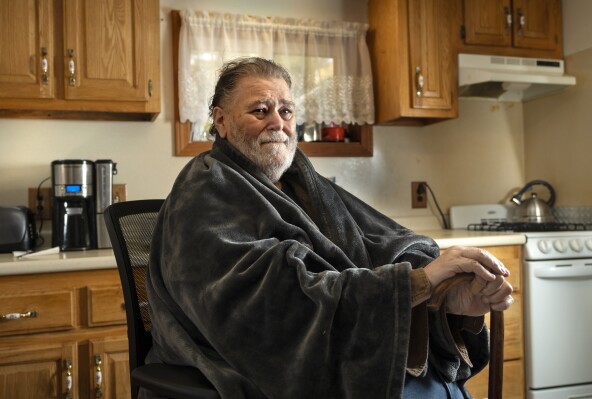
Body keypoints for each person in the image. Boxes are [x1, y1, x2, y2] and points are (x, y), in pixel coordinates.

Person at [145, 57, 513, 399]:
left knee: (442, 384)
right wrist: (418, 284)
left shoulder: (301, 183)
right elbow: (270, 307)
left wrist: (446, 296)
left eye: (286, 110)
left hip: (343, 343)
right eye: (260, 110)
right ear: (221, 121)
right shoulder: (204, 192)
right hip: (249, 363)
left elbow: (383, 243)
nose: (277, 122)